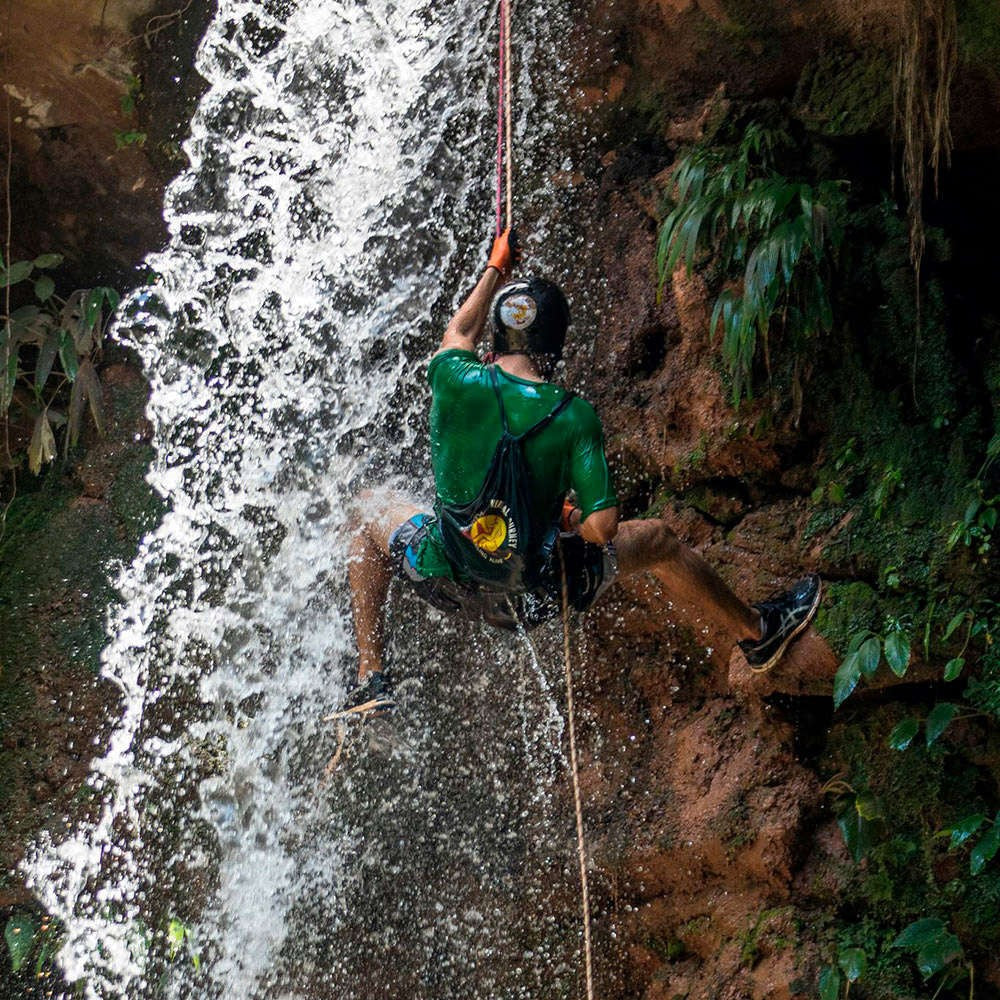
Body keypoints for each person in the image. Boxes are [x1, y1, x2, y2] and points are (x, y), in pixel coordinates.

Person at [342, 228, 821, 715]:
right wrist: (568, 517)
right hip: (530, 598)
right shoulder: (573, 416)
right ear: (554, 346)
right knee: (658, 540)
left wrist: (495, 268)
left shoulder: (453, 378)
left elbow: (458, 333)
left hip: (446, 576)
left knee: (365, 510)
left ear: (495, 339)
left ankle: (371, 677)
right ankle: (759, 633)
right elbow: (603, 528)